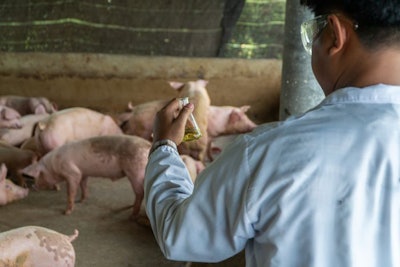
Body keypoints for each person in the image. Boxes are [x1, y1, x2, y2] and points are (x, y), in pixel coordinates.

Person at [144, 0, 400, 266]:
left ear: (335, 34)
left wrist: (164, 145)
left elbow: (180, 235)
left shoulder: (264, 153)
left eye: (314, 32)